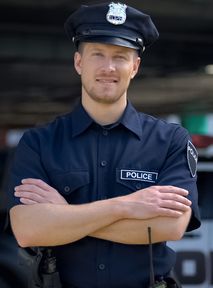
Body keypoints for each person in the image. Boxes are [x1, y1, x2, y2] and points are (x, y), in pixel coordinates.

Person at [8, 2, 200, 287]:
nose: (108, 67)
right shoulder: (39, 142)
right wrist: (127, 206)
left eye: (120, 56)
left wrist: (64, 215)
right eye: (97, 54)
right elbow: (28, 230)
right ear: (78, 63)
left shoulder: (170, 141)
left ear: (134, 67)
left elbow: (169, 226)